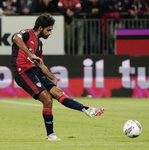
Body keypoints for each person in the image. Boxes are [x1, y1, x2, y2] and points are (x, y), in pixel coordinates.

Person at [11, 13, 105, 141]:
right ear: (40, 28)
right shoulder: (27, 33)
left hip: (34, 70)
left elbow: (40, 63)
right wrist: (30, 54)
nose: (50, 33)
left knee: (57, 92)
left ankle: (87, 110)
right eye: (48, 30)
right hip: (22, 70)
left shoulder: (39, 44)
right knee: (47, 100)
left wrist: (51, 76)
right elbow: (16, 38)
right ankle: (50, 135)